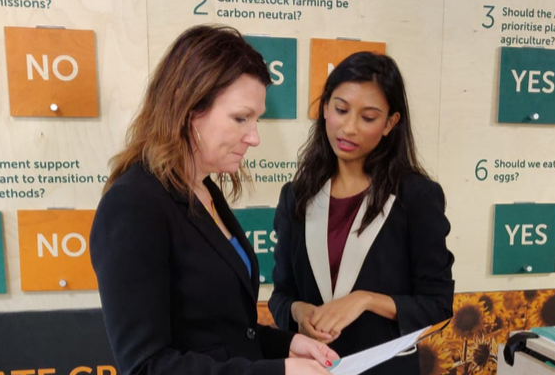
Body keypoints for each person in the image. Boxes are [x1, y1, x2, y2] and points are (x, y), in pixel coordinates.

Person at [90, 24, 338, 375]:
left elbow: (224, 332)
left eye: (256, 120)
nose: (253, 138)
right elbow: (147, 366)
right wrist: (278, 372)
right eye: (240, 118)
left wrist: (287, 344)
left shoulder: (204, 190)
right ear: (187, 106)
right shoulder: (133, 206)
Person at [268, 52, 455, 375]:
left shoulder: (416, 197)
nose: (349, 127)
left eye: (368, 118)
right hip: (312, 369)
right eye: (341, 110)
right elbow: (282, 295)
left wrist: (365, 300)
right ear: (325, 108)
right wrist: (299, 313)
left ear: (390, 124)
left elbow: (437, 305)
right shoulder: (296, 196)